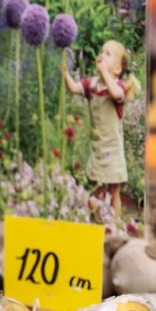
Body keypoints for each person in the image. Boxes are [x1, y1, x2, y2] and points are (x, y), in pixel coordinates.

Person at [60, 40, 140, 212]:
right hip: (97, 148)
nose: (102, 55)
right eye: (102, 52)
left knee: (114, 191)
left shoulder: (117, 87)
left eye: (108, 54)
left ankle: (116, 225)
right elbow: (74, 88)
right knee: (97, 190)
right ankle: (99, 221)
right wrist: (66, 75)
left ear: (117, 70)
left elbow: (116, 94)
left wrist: (105, 74)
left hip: (112, 150)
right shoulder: (92, 84)